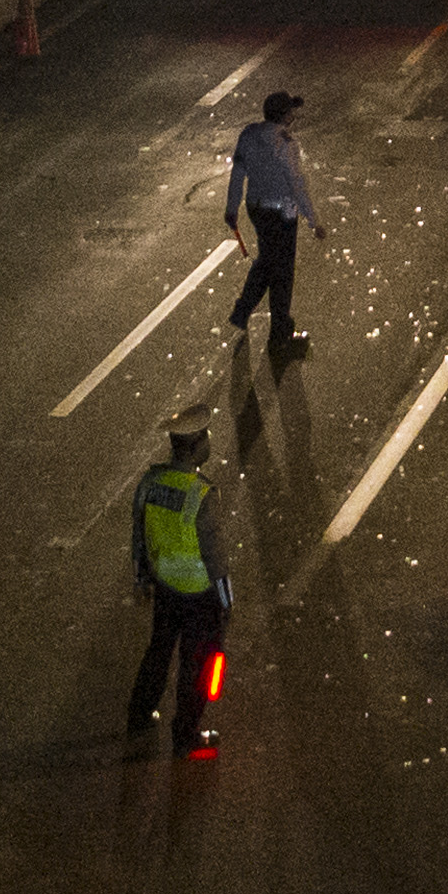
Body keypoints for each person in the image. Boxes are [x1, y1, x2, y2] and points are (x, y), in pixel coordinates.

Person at [126, 407, 233, 753]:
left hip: (165, 588)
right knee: (195, 667)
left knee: (158, 651)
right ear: (196, 445)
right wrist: (227, 602)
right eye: (206, 437)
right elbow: (215, 558)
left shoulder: (151, 482)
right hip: (199, 596)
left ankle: (139, 715)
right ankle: (186, 736)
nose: (210, 442)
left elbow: (139, 536)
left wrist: (143, 578)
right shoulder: (201, 494)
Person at [223, 90, 322, 349]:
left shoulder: (249, 135)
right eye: (291, 111)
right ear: (284, 116)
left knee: (267, 261)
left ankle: (242, 310)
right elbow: (297, 184)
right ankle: (280, 335)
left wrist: (232, 208)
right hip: (282, 214)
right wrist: (314, 221)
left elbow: (237, 175)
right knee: (282, 273)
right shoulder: (286, 144)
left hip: (257, 210)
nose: (294, 115)